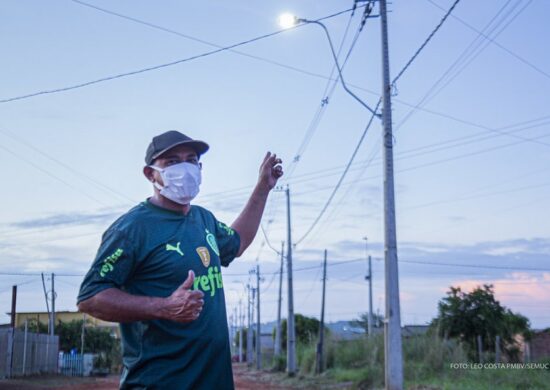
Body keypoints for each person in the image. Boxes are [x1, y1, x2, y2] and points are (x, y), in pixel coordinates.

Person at [77, 130, 283, 389]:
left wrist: (263, 188)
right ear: (150, 174)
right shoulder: (132, 229)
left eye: (191, 160)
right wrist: (164, 307)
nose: (185, 169)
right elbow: (90, 298)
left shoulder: (203, 219)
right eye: (172, 162)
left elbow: (237, 242)